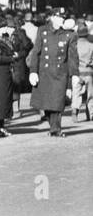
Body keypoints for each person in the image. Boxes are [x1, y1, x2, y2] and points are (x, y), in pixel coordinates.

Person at [27, 8, 78, 136]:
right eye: (59, 17)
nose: (62, 19)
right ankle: (53, 127)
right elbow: (36, 53)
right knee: (47, 104)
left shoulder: (69, 34)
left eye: (63, 17)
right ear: (52, 17)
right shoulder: (42, 31)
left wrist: (74, 74)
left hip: (60, 74)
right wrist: (33, 71)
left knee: (57, 103)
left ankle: (56, 129)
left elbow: (72, 57)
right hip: (44, 73)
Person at [73, 23, 93, 122]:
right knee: (90, 95)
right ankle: (90, 114)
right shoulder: (91, 45)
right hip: (89, 72)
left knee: (76, 94)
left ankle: (75, 112)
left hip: (77, 72)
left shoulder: (75, 46)